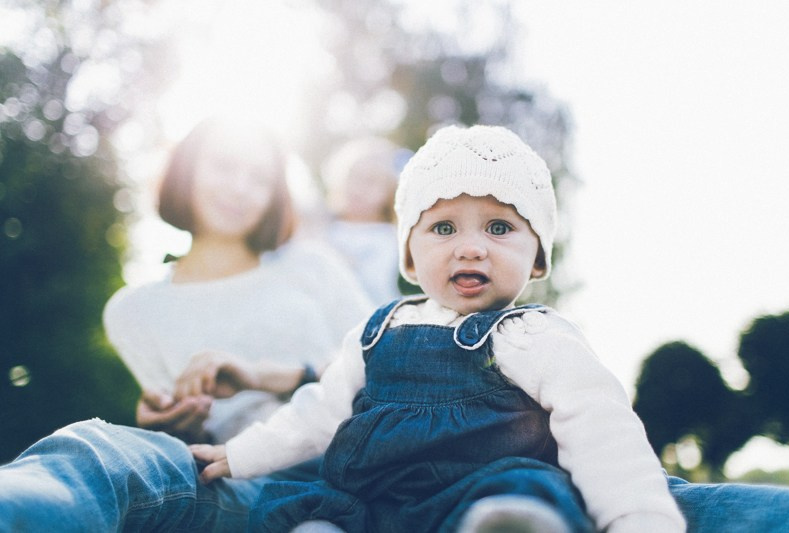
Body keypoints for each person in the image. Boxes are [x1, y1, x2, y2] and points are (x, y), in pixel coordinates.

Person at [190, 125, 685, 533]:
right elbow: (318, 413)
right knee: (313, 517)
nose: (470, 248)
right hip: (373, 507)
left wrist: (638, 518)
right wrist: (241, 453)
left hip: (483, 493)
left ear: (537, 256)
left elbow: (599, 425)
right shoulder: (377, 330)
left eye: (498, 227)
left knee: (527, 498)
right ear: (409, 253)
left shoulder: (535, 336)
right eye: (444, 228)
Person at [0, 117, 372, 531]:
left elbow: (392, 361)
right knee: (109, 453)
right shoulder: (134, 312)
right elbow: (186, 452)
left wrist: (268, 376)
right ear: (186, 169)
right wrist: (173, 423)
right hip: (241, 483)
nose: (238, 187)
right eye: (224, 166)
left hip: (354, 466)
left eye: (258, 177)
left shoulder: (312, 266)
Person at [320, 136, 410, 306]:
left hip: (369, 317)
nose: (358, 188)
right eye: (353, 177)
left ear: (390, 191)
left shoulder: (386, 236)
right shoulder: (325, 226)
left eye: (371, 182)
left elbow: (372, 284)